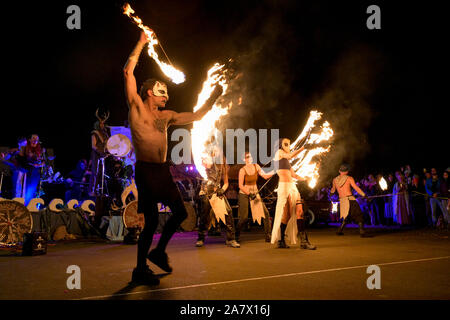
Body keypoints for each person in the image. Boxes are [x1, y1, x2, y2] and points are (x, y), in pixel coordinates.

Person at [123, 31, 223, 285]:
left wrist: (213, 96)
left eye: (165, 93)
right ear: (148, 93)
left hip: (162, 171)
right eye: (160, 92)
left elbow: (197, 116)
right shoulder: (136, 107)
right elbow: (127, 73)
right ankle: (140, 268)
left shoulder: (166, 116)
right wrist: (142, 42)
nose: (165, 96)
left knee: (179, 213)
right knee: (152, 221)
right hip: (145, 170)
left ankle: (158, 252)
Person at [270, 138, 316, 249]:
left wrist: (306, 179)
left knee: (300, 211)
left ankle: (304, 242)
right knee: (286, 216)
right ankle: (281, 240)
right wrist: (304, 147)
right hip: (284, 187)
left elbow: (294, 175)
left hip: (292, 187)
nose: (288, 146)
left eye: (289, 144)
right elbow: (290, 155)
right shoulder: (279, 153)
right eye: (285, 144)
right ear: (280, 145)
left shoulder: (287, 161)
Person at [195, 145, 239, 248]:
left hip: (217, 193)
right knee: (204, 216)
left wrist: (222, 190)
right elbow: (202, 168)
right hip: (206, 192)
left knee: (228, 212)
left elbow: (226, 183)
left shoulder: (222, 166)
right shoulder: (206, 162)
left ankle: (231, 239)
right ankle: (200, 238)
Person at [236, 151, 273, 243]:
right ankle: (235, 235)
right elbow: (240, 185)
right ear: (244, 159)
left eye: (251, 156)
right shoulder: (242, 170)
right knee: (244, 217)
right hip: (244, 193)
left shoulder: (256, 166)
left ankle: (268, 235)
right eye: (247, 157)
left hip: (255, 193)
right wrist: (249, 194)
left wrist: (275, 171)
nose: (250, 158)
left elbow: (265, 176)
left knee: (266, 213)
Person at [331, 164, 369, 237]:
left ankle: (340, 230)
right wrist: (364, 195)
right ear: (347, 171)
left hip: (342, 200)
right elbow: (356, 188)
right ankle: (362, 232)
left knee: (346, 215)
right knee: (359, 214)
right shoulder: (349, 178)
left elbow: (333, 190)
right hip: (350, 199)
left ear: (339, 171)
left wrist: (331, 196)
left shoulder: (335, 180)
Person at [88, 109, 111, 196]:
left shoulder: (105, 134)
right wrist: (100, 153)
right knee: (95, 172)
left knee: (101, 173)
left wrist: (107, 152)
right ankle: (91, 190)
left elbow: (108, 144)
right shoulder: (95, 133)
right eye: (101, 123)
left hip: (103, 155)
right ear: (97, 124)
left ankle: (98, 190)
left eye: (103, 123)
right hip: (96, 154)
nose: (102, 125)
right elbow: (93, 146)